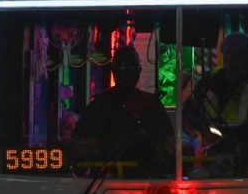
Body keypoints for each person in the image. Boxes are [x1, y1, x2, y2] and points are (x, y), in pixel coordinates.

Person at [73, 46, 173, 175]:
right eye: (124, 68)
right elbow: (81, 146)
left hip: (143, 178)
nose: (129, 73)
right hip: (106, 179)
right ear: (114, 70)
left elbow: (169, 144)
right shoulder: (99, 105)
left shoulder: (151, 104)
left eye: (133, 68)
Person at [185, 32, 248, 145]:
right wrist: (200, 132)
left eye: (236, 58)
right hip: (210, 149)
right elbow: (189, 112)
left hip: (247, 149)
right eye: (227, 58)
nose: (230, 64)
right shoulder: (211, 78)